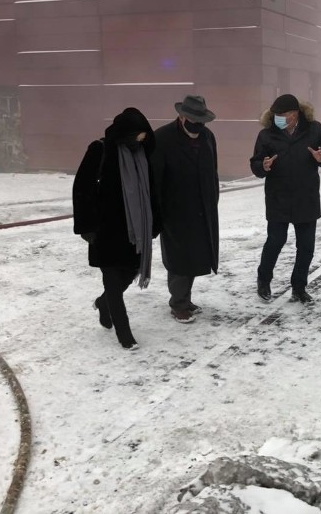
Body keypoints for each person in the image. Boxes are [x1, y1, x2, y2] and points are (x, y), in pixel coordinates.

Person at [72, 107, 160, 351]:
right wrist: (86, 227)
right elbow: (81, 188)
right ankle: (124, 333)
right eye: (137, 135)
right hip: (106, 230)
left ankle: (103, 303)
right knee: (112, 279)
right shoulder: (100, 150)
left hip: (136, 231)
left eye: (143, 135)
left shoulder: (141, 155)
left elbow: (151, 191)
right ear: (124, 133)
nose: (141, 140)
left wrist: (155, 223)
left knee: (129, 274)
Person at [250, 93, 321, 303]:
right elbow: (256, 163)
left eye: (284, 113)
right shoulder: (266, 135)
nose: (280, 117)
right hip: (278, 198)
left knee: (306, 246)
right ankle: (263, 280)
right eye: (276, 114)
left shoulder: (314, 129)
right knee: (275, 241)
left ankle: (299, 287)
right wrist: (263, 166)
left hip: (306, 198)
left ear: (296, 113)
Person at [151, 95, 219, 324]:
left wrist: (212, 200)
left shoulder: (208, 137)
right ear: (181, 116)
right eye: (193, 119)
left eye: (201, 120)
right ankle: (178, 304)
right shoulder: (162, 138)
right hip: (175, 211)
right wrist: (159, 213)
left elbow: (213, 172)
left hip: (202, 209)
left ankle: (185, 299)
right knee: (179, 258)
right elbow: (155, 180)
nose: (197, 125)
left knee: (195, 256)